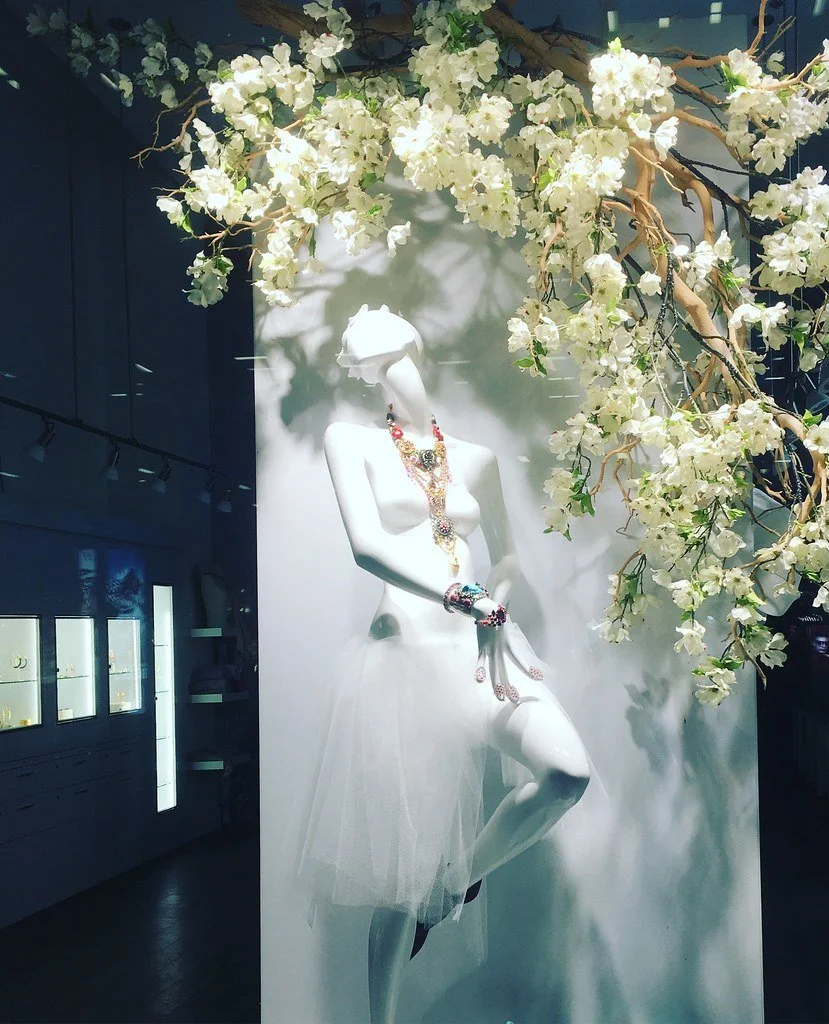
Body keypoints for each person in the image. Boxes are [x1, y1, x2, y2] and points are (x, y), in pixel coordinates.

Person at [300, 304, 591, 1024]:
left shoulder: (475, 457)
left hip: (480, 651)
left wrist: (494, 609)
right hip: (404, 657)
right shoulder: (350, 441)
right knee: (400, 872)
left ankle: (456, 884)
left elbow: (510, 555)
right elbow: (367, 546)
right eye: (371, 360)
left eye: (392, 352)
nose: (386, 367)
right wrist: (464, 596)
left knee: (566, 773)